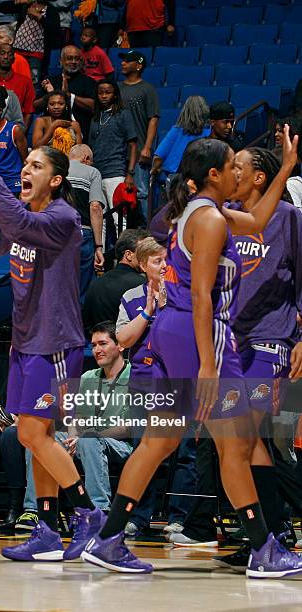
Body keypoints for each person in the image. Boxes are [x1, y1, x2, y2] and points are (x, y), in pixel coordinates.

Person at [81, 133, 302, 579]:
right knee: (236, 445)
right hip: (200, 337)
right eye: (231, 165)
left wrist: (284, 168)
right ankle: (264, 550)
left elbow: (259, 220)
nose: (238, 171)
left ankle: (109, 539)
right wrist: (206, 364)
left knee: (158, 442)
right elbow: (203, 296)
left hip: (168, 333)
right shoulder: (213, 221)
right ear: (214, 174)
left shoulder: (201, 213)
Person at [0, 140, 103, 563]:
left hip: (56, 342)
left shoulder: (64, 217)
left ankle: (87, 514)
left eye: (36, 166)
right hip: (24, 343)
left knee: (30, 433)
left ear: (56, 180)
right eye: (24, 163)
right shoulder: (26, 219)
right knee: (37, 438)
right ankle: (45, 528)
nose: (25, 169)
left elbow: (19, 225)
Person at [172, 149, 302, 571]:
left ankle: (274, 534)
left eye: (240, 167)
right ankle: (265, 535)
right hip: (231, 343)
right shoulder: (221, 215)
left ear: (259, 177)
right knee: (245, 443)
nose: (234, 171)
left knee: (248, 439)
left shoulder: (288, 217)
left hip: (270, 339)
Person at [115, 237, 197, 537]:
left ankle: (179, 517)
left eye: (166, 260)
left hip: (179, 379)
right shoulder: (131, 296)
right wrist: (149, 310)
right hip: (143, 381)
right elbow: (123, 340)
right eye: (156, 261)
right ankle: (138, 515)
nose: (163, 265)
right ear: (142, 264)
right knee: (143, 448)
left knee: (185, 452)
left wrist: (166, 306)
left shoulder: (183, 292)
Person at [22, 322, 134, 528]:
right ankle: (34, 511)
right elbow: (76, 417)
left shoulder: (134, 376)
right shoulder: (87, 377)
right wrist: (74, 436)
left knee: (90, 439)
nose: (97, 350)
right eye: (93, 345)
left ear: (120, 346)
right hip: (85, 440)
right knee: (41, 439)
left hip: (122, 444)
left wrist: (88, 435)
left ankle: (98, 510)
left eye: (103, 343)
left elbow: (128, 427)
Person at [118, 49, 160, 225]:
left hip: (139, 147)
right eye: (123, 60)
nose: (123, 63)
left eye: (128, 60)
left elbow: (153, 119)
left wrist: (147, 146)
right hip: (118, 150)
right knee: (119, 193)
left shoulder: (147, 89)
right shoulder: (117, 88)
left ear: (139, 65)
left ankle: (144, 230)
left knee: (141, 192)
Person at [82, 229, 147, 331]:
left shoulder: (96, 283)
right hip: (124, 343)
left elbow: (86, 323)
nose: (148, 256)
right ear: (128, 254)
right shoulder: (141, 285)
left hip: (95, 342)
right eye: (144, 251)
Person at [89, 80, 137, 213]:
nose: (104, 96)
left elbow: (133, 145)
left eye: (108, 92)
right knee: (99, 218)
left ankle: (123, 236)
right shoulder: (95, 117)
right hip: (96, 174)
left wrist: (130, 173)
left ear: (115, 95)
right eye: (100, 93)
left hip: (115, 172)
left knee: (119, 217)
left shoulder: (123, 114)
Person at [67, 144, 105, 299]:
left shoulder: (55, 170)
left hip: (54, 233)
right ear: (86, 158)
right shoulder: (92, 172)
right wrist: (98, 246)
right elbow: (95, 207)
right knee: (82, 288)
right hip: (82, 233)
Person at [36, 46, 96, 142]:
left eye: (77, 59)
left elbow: (93, 106)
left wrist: (68, 95)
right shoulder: (50, 81)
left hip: (79, 136)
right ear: (61, 61)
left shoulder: (89, 82)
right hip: (50, 138)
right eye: (69, 58)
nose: (73, 61)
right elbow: (35, 106)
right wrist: (50, 95)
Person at [152, 96, 210, 178]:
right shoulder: (210, 131)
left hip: (176, 177)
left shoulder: (176, 130)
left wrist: (155, 170)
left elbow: (158, 157)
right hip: (202, 176)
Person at [13, 0, 61, 86]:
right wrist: (19, 2)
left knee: (34, 80)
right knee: (16, 76)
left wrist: (38, 16)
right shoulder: (27, 6)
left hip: (36, 51)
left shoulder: (51, 10)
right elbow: (3, 8)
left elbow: (54, 30)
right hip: (19, 48)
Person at [0, 44, 35, 133]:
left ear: (13, 59)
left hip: (15, 129)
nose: (6, 57)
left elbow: (29, 111)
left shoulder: (25, 82)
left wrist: (22, 133)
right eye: (2, 53)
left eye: (9, 54)